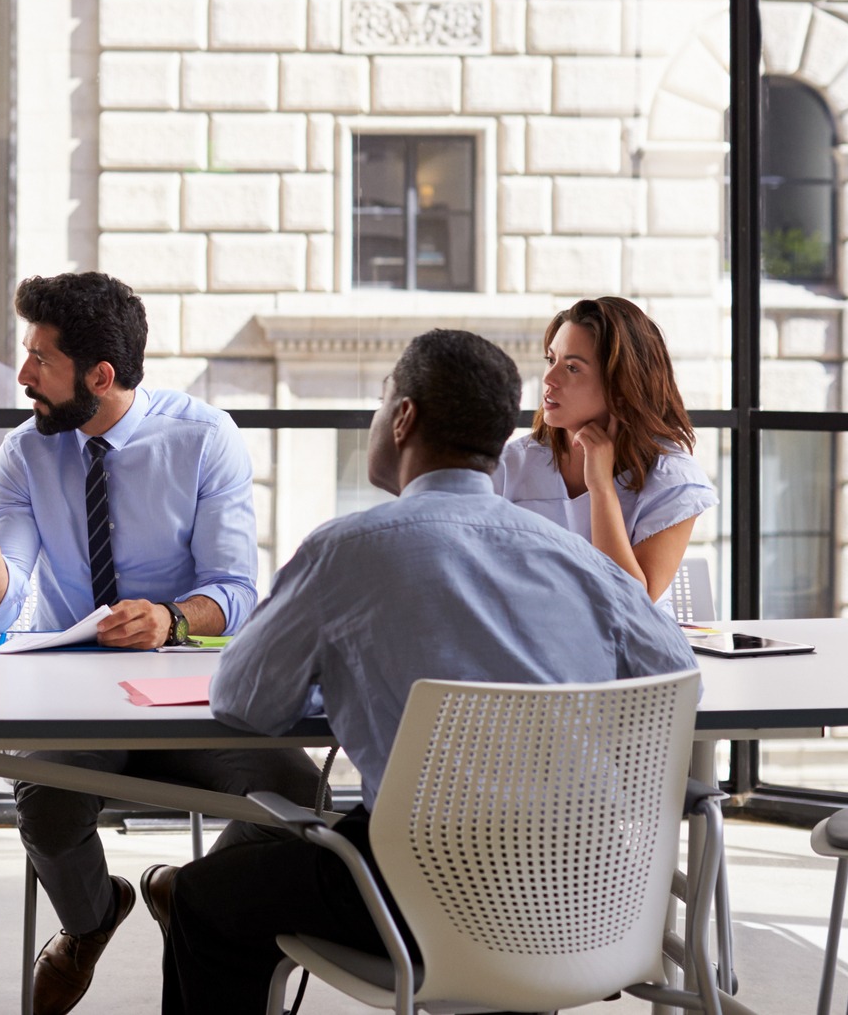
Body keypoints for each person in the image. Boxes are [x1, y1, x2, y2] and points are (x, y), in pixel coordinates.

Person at [141, 329, 697, 1015]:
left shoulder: (347, 550)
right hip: (586, 894)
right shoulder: (582, 562)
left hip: (424, 900)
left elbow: (244, 699)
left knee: (202, 899)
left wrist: (341, 676)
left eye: (382, 404)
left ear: (402, 417)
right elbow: (674, 677)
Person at [0, 271, 319, 1015]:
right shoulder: (25, 452)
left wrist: (171, 618)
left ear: (100, 376)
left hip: (186, 692)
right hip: (74, 696)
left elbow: (236, 590)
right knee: (46, 810)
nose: (23, 375)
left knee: (298, 795)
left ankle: (192, 894)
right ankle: (91, 920)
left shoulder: (204, 439)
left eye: (40, 359)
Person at [495, 296, 718, 601]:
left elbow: (630, 603)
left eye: (572, 368)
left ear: (622, 386)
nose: (549, 378)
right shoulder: (510, 465)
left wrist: (601, 488)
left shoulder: (674, 481)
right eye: (551, 360)